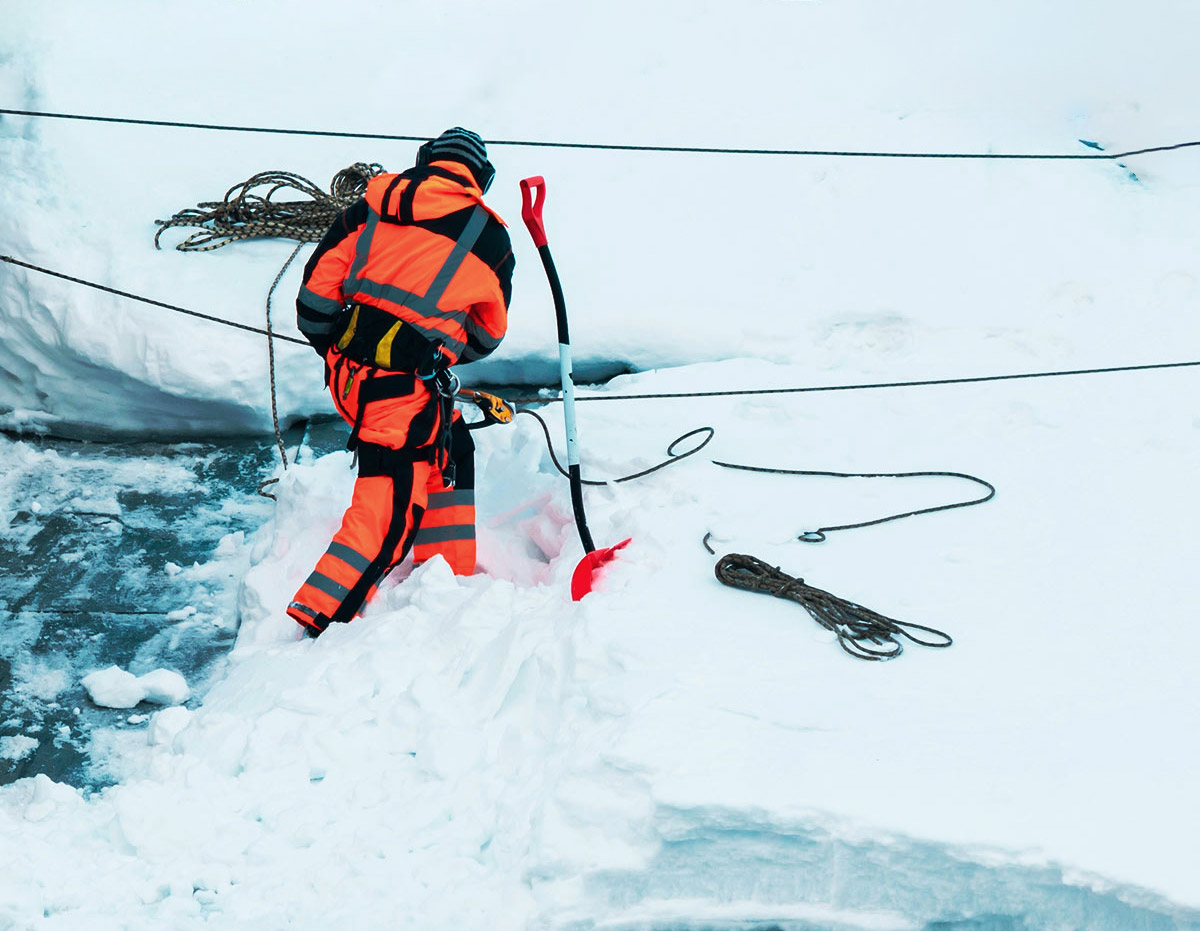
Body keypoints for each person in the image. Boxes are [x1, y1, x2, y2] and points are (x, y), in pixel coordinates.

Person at [286, 127, 514, 637]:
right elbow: (486, 335)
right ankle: (320, 615)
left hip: (347, 377)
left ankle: (444, 571)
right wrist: (433, 348)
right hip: (401, 390)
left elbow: (314, 302)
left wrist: (352, 349)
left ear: (424, 160)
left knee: (452, 441)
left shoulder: (367, 206)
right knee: (390, 503)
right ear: (481, 179)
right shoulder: (490, 236)